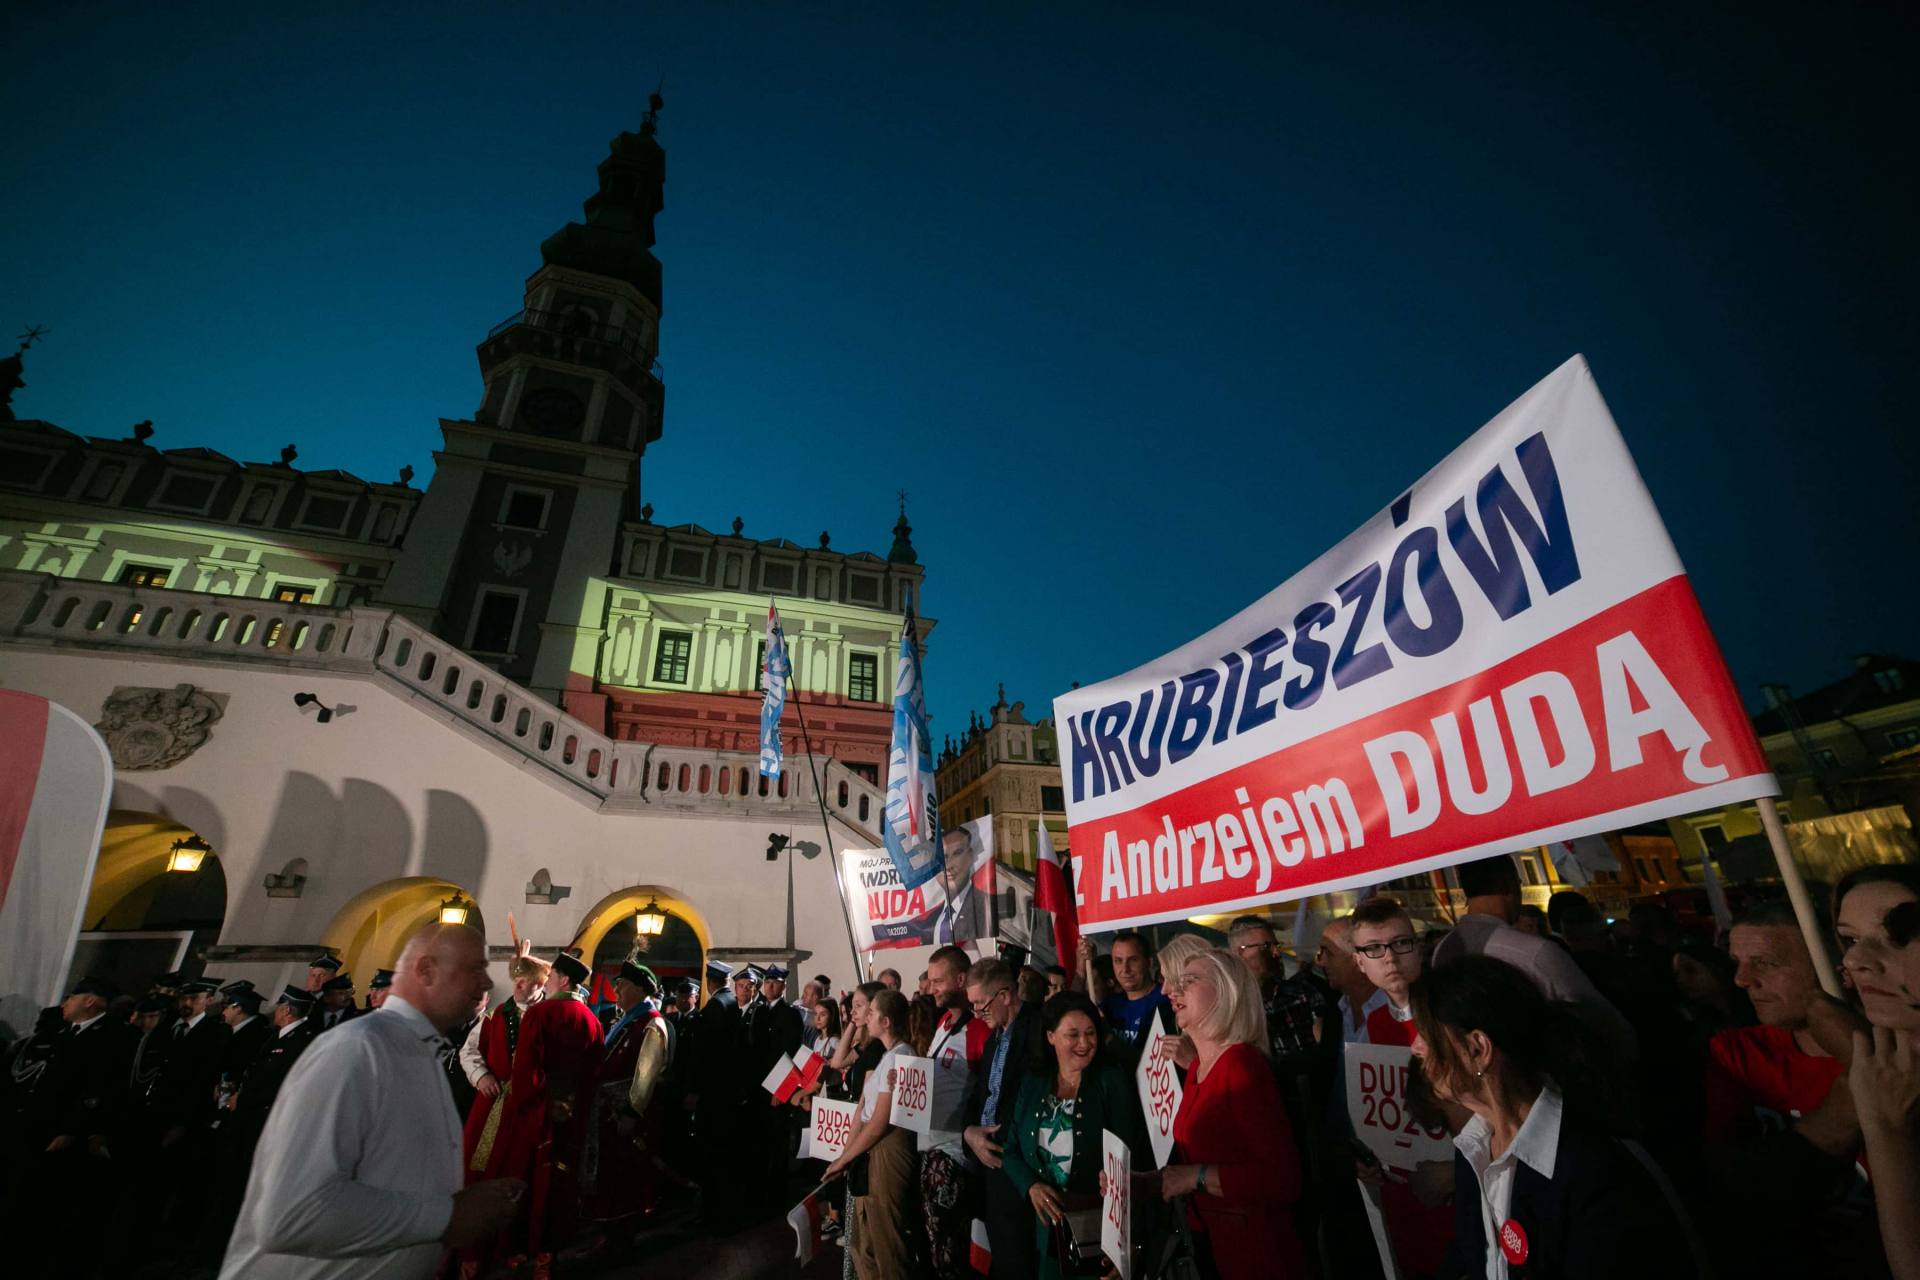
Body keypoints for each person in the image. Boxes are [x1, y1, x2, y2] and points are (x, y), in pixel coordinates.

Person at [219, 925, 523, 1279]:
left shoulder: (420, 1053)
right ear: (425, 971)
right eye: (474, 969)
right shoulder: (359, 1047)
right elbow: (293, 1214)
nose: (487, 983)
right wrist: (448, 1216)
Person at [1410, 955, 1697, 1280]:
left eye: (1427, 1035)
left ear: (1478, 1048)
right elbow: (1469, 1254)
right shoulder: (1474, 1148)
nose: (1416, 1047)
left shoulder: (1592, 1168)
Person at [1699, 899, 1860, 1275]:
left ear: (1834, 961)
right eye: (1737, 962)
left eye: (1766, 963)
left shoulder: (1903, 1043)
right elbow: (1733, 1183)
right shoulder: (1737, 1053)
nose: (1741, 980)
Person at [1149, 949, 1306, 1279]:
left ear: (1226, 992)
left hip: (1257, 1254)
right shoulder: (1198, 1069)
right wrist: (1137, 1183)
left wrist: (1196, 1177)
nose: (1173, 991)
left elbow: (1282, 1178)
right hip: (1214, 1248)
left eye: (1189, 981)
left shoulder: (1241, 1065)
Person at [1431, 854, 1638, 1061]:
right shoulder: (1534, 951)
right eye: (1519, 883)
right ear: (1508, 884)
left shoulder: (1442, 950)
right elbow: (1605, 1024)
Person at [1003, 991, 1149, 1278]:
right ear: (1050, 1037)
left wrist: (1126, 1243)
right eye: (1073, 1034)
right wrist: (1030, 1185)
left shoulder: (1111, 1082)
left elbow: (1131, 1161)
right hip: (1049, 1238)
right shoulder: (1033, 1083)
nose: (1084, 1043)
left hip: (1101, 1237)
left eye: (1090, 1033)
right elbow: (1010, 1151)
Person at [476, 949, 605, 1273]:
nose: (544, 984)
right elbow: (593, 1076)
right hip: (572, 1115)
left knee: (525, 1180)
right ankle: (549, 1253)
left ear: (563, 979)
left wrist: (524, 1110)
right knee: (560, 1185)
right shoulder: (593, 1021)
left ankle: (518, 1248)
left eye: (550, 979)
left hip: (536, 1114)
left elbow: (526, 1072)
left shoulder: (540, 1014)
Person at [1347, 897, 1455, 1279]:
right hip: (1401, 1195)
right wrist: (1364, 1157)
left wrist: (1453, 1172)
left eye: (1400, 943)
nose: (1389, 958)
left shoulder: (1453, 1012)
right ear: (1359, 961)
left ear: (1418, 945)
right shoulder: (1369, 1027)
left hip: (1461, 1192)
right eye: (1374, 949)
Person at [1835, 863, 1920, 1280]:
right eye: (1849, 939)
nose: (1856, 959)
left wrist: (1885, 1128)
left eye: (1898, 937)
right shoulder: (1876, 1065)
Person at [822, 989, 916, 1280]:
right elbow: (863, 1109)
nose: (867, 1018)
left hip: (886, 1150)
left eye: (872, 1013)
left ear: (886, 1021)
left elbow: (879, 1122)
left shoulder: (903, 1057)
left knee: (887, 1241)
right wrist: (845, 1155)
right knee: (865, 1241)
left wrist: (843, 1159)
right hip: (869, 1150)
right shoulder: (888, 1056)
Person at [579, 961, 671, 1241]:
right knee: (608, 1171)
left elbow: (646, 1073)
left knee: (623, 1174)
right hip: (607, 1111)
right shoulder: (627, 1019)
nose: (616, 990)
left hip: (624, 1114)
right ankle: (605, 1227)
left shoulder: (651, 1022)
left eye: (623, 985)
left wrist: (632, 1112)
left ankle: (620, 1234)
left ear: (640, 989)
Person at [962, 958, 1043, 1277]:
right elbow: (983, 1096)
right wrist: (969, 1132)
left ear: (1005, 995)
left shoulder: (1038, 1029)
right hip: (991, 1163)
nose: (977, 1015)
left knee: (1020, 1260)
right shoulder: (995, 1037)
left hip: (1020, 1163)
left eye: (981, 1006)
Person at [921, 944, 992, 1278]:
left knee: (953, 1256)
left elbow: (987, 1094)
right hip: (929, 1146)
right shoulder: (944, 1021)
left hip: (954, 1158)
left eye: (938, 981)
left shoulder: (979, 1030)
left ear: (961, 980)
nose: (931, 987)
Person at [460, 948, 549, 1169]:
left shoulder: (549, 1017)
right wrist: (481, 1076)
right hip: (492, 1100)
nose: (517, 987)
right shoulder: (496, 1014)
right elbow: (468, 1051)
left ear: (540, 985)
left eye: (524, 982)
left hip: (530, 1107)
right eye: (516, 981)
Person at [1085, 931, 1173, 1064]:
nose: (1125, 969)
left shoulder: (1166, 1000)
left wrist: (1109, 1037)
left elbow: (1153, 1064)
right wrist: (1080, 971)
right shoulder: (1111, 1004)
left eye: (1133, 960)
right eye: (1118, 961)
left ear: (1148, 962)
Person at [1319, 916, 1385, 1040]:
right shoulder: (1335, 1013)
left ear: (1358, 960)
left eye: (1327, 952)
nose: (1321, 962)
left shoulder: (1402, 1011)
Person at [936, 824, 991, 943]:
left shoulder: (986, 907)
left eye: (957, 853)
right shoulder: (930, 918)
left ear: (970, 855)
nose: (948, 866)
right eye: (943, 857)